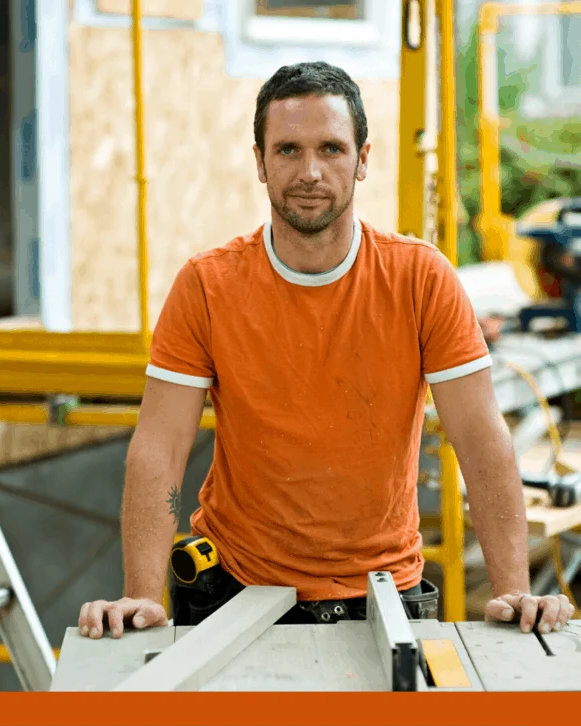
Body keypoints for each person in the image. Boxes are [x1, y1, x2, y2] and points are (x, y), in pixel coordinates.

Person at [79, 61, 575, 642]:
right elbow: (159, 446)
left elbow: (480, 438)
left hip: (384, 593)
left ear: (363, 159)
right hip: (236, 586)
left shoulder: (420, 279)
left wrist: (513, 588)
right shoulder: (207, 285)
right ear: (260, 163)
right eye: (287, 149)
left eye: (331, 148)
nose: (309, 171)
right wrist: (141, 596)